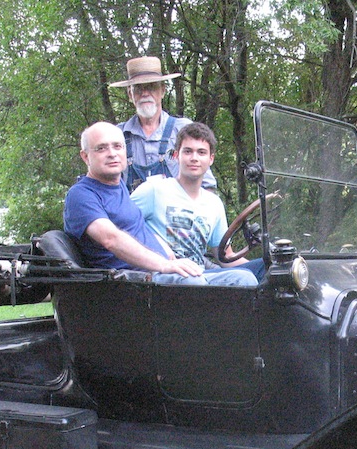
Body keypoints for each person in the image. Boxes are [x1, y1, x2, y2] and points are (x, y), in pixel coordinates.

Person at [62, 122, 253, 286]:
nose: (112, 154)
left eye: (117, 146)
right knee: (194, 284)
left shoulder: (117, 187)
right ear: (85, 156)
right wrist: (165, 265)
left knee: (245, 279)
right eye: (101, 148)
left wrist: (165, 250)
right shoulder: (81, 195)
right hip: (131, 283)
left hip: (161, 272)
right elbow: (111, 238)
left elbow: (136, 226)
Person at [131, 122, 263, 283]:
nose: (194, 158)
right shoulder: (153, 190)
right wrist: (155, 242)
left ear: (211, 159)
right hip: (161, 276)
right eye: (188, 151)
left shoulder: (213, 203)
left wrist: (262, 264)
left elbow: (226, 257)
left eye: (201, 152)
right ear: (176, 155)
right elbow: (122, 226)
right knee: (195, 282)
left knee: (252, 275)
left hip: (200, 274)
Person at [110, 56, 216, 192]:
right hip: (131, 207)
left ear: (163, 90)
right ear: (130, 94)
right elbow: (106, 188)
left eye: (151, 87)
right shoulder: (116, 136)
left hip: (179, 206)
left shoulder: (184, 130)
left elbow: (207, 186)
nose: (145, 93)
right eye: (138, 88)